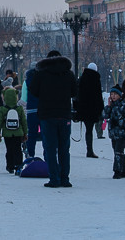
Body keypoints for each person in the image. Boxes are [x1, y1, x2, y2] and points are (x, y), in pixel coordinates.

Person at [29, 50, 78, 188]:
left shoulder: (41, 74)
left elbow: (33, 91)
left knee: (50, 148)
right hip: (64, 115)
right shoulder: (68, 73)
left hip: (47, 115)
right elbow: (75, 92)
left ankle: (54, 178)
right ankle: (65, 178)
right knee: (64, 148)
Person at [0, 86, 28, 173]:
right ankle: (18, 165)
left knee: (9, 149)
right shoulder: (19, 109)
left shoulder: (2, 109)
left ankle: (10, 166)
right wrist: (25, 133)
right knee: (18, 149)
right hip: (18, 133)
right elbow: (24, 122)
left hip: (7, 133)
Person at [103, 85, 125, 179]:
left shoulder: (124, 105)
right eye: (111, 94)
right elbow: (105, 115)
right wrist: (108, 106)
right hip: (113, 133)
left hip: (121, 132)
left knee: (118, 152)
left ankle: (117, 171)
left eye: (115, 94)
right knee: (117, 151)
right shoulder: (112, 105)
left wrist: (119, 122)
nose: (113, 96)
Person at [76, 62, 104, 158]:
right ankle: (90, 150)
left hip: (83, 109)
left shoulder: (82, 79)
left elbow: (77, 95)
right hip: (93, 109)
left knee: (88, 130)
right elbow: (99, 96)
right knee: (90, 130)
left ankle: (89, 150)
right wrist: (100, 109)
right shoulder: (96, 80)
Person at [21, 67, 41, 159]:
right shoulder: (42, 80)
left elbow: (24, 99)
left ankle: (30, 154)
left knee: (32, 133)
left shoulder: (26, 82)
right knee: (45, 133)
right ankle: (48, 155)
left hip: (31, 110)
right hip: (42, 109)